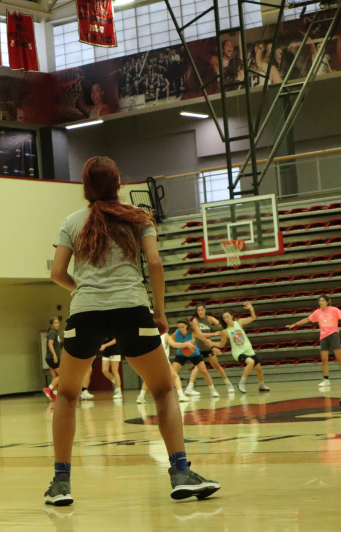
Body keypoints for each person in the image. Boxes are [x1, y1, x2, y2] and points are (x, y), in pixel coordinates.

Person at [45, 156, 220, 506]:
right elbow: (154, 263)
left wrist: (85, 288)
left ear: (85, 186)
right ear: (117, 183)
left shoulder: (71, 221)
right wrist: (159, 311)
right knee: (163, 390)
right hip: (132, 310)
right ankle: (181, 472)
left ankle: (61, 483)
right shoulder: (139, 217)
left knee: (66, 396)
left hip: (86, 314)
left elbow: (57, 273)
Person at [286, 295, 341, 388]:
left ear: (327, 302)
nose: (320, 302)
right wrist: (294, 324)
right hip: (323, 337)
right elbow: (307, 319)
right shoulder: (317, 312)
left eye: (322, 300)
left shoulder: (334, 310)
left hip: (334, 335)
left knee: (339, 357)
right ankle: (326, 379)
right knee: (324, 359)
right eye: (319, 301)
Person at [212, 302, 270, 394]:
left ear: (231, 316)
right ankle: (241, 383)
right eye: (224, 318)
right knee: (251, 362)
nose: (226, 319)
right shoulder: (225, 331)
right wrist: (210, 343)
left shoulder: (239, 322)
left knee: (259, 370)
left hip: (249, 350)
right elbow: (221, 344)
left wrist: (251, 308)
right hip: (238, 353)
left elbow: (253, 318)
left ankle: (261, 385)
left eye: (227, 316)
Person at [166, 320, 220, 398]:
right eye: (179, 327)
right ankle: (168, 393)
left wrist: (212, 348)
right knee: (173, 373)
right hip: (181, 354)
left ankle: (213, 390)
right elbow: (169, 341)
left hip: (194, 354)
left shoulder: (192, 332)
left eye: (182, 327)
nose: (180, 329)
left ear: (186, 326)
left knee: (204, 371)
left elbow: (204, 339)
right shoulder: (177, 333)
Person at [187, 305, 234, 394]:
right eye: (198, 310)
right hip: (198, 347)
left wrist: (228, 328)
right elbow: (200, 334)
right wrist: (215, 333)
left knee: (217, 366)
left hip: (208, 347)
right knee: (197, 367)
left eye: (201, 310)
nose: (200, 312)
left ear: (205, 310)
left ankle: (228, 384)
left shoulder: (210, 319)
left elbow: (221, 325)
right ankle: (189, 387)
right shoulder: (195, 320)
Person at [44, 318, 63, 401]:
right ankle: (49, 389)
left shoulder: (54, 333)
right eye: (55, 323)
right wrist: (55, 355)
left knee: (55, 376)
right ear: (51, 324)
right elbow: (50, 344)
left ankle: (55, 395)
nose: (57, 324)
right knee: (63, 375)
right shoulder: (52, 332)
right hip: (52, 357)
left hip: (50, 357)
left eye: (58, 323)